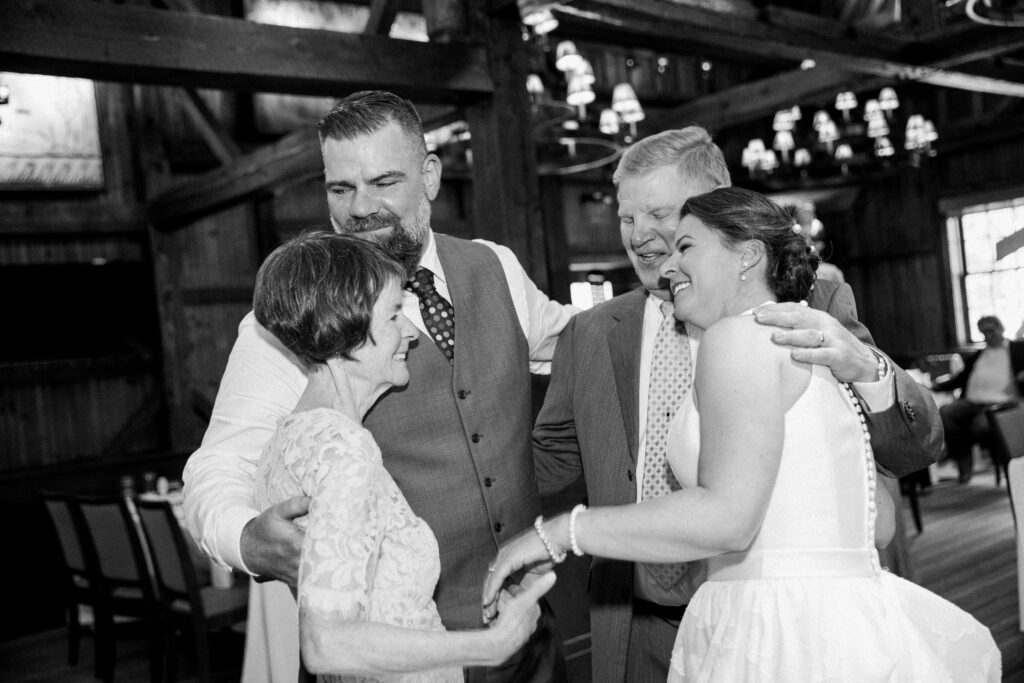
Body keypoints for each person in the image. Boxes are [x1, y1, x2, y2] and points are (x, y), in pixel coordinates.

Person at [489, 187, 1000, 682]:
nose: (668, 267)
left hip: (778, 630)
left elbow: (729, 519)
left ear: (747, 256)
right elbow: (877, 521)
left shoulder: (737, 337)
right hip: (837, 621)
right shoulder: (803, 337)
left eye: (686, 246)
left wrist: (560, 532)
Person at [183, 91, 576, 683]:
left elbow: (578, 341)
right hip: (393, 653)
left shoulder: (495, 267)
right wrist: (246, 540)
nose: (360, 208)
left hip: (526, 635)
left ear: (431, 176)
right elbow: (216, 467)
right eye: (340, 188)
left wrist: (692, 302)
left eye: (383, 181)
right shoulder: (295, 320)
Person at [251, 231, 554, 680]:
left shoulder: (289, 439)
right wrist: (493, 644)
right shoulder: (344, 450)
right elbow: (325, 643)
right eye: (394, 314)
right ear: (346, 330)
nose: (411, 332)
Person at [933, 314, 1024, 483]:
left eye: (991, 331)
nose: (988, 336)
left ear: (1001, 328)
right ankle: (963, 462)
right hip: (971, 402)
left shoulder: (1018, 349)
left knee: (979, 425)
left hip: (1003, 403)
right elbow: (959, 379)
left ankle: (1001, 462)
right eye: (984, 333)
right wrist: (935, 386)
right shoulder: (978, 355)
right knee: (946, 413)